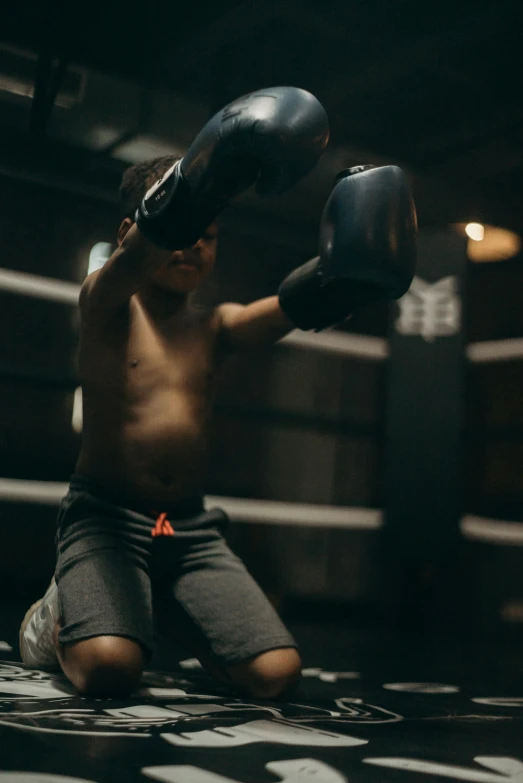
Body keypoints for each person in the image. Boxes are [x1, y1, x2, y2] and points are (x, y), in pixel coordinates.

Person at [19, 87, 416, 700]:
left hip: (189, 531)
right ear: (135, 230)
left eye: (207, 237)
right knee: (108, 670)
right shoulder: (107, 303)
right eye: (181, 232)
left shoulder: (215, 327)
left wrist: (343, 276)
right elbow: (135, 257)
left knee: (275, 674)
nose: (192, 247)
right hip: (105, 521)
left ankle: (164, 607)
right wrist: (200, 181)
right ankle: (50, 620)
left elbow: (287, 309)